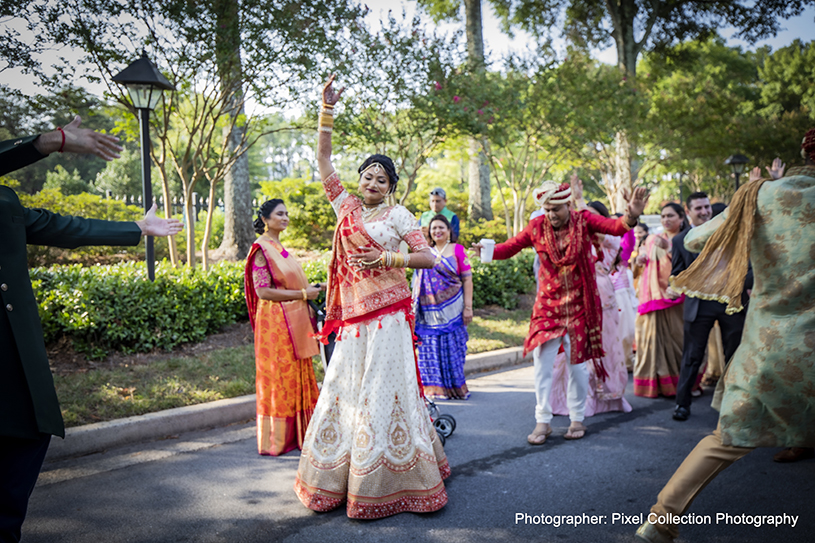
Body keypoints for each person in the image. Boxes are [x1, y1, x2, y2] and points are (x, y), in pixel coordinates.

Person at [0, 116, 183, 543]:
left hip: (13, 361)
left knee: (24, 451)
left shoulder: (5, 201)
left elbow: (59, 226)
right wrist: (49, 142)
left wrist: (135, 228)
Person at [634, 136, 815, 543]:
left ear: (804, 153)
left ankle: (660, 520)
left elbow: (694, 240)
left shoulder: (763, 195)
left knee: (726, 439)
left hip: (769, 349)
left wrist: (750, 203)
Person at [294, 75, 450, 519]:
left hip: (389, 317)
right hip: (353, 319)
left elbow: (426, 258)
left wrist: (387, 259)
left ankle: (392, 481)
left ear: (391, 186)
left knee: (385, 393)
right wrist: (326, 111)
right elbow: (323, 159)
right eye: (368, 175)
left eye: (381, 178)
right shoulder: (345, 207)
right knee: (345, 390)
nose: (373, 182)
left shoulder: (399, 215)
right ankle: (335, 478)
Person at [472, 174, 649, 445]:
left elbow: (614, 227)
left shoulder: (584, 221)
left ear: (568, 205)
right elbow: (510, 247)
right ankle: (542, 421)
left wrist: (631, 216)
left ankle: (577, 417)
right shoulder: (536, 226)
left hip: (579, 304)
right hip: (548, 305)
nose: (552, 215)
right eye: (547, 210)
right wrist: (487, 250)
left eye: (556, 209)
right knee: (542, 365)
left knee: (577, 367)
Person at [244, 199, 323, 456]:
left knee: (296, 373)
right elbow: (264, 292)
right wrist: (303, 294)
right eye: (280, 214)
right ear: (266, 219)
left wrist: (313, 292)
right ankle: (277, 439)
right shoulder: (261, 249)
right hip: (275, 324)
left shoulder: (279, 247)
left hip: (293, 317)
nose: (285, 217)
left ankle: (300, 434)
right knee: (280, 377)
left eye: (287, 213)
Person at [669, 192, 749, 422]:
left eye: (707, 207)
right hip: (698, 307)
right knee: (692, 357)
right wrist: (674, 285)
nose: (704, 211)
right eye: (699, 208)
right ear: (688, 211)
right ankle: (682, 405)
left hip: (729, 303)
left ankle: (736, 406)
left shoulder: (729, 233)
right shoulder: (680, 240)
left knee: (734, 356)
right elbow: (676, 272)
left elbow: (746, 264)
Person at [548, 200, 632, 417]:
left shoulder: (610, 237)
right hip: (575, 294)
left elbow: (604, 235)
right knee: (573, 346)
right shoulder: (574, 238)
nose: (587, 221)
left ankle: (604, 398)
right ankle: (572, 399)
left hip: (601, 295)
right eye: (584, 216)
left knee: (604, 345)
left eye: (593, 216)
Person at [413, 214, 474, 400]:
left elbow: (467, 279)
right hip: (427, 314)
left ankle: (454, 388)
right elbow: (416, 281)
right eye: (434, 228)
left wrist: (468, 307)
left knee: (453, 347)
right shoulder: (425, 253)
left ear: (449, 231)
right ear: (429, 232)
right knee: (429, 347)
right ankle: (432, 389)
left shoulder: (458, 250)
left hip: (454, 310)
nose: (437, 231)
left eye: (441, 227)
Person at [632, 203, 686, 398]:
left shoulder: (688, 239)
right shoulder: (653, 239)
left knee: (676, 341)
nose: (666, 220)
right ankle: (655, 384)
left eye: (670, 215)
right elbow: (639, 265)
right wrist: (638, 260)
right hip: (652, 297)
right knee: (651, 344)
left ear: (681, 217)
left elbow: (691, 263)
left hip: (676, 296)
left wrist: (670, 248)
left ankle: (681, 384)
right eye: (663, 216)